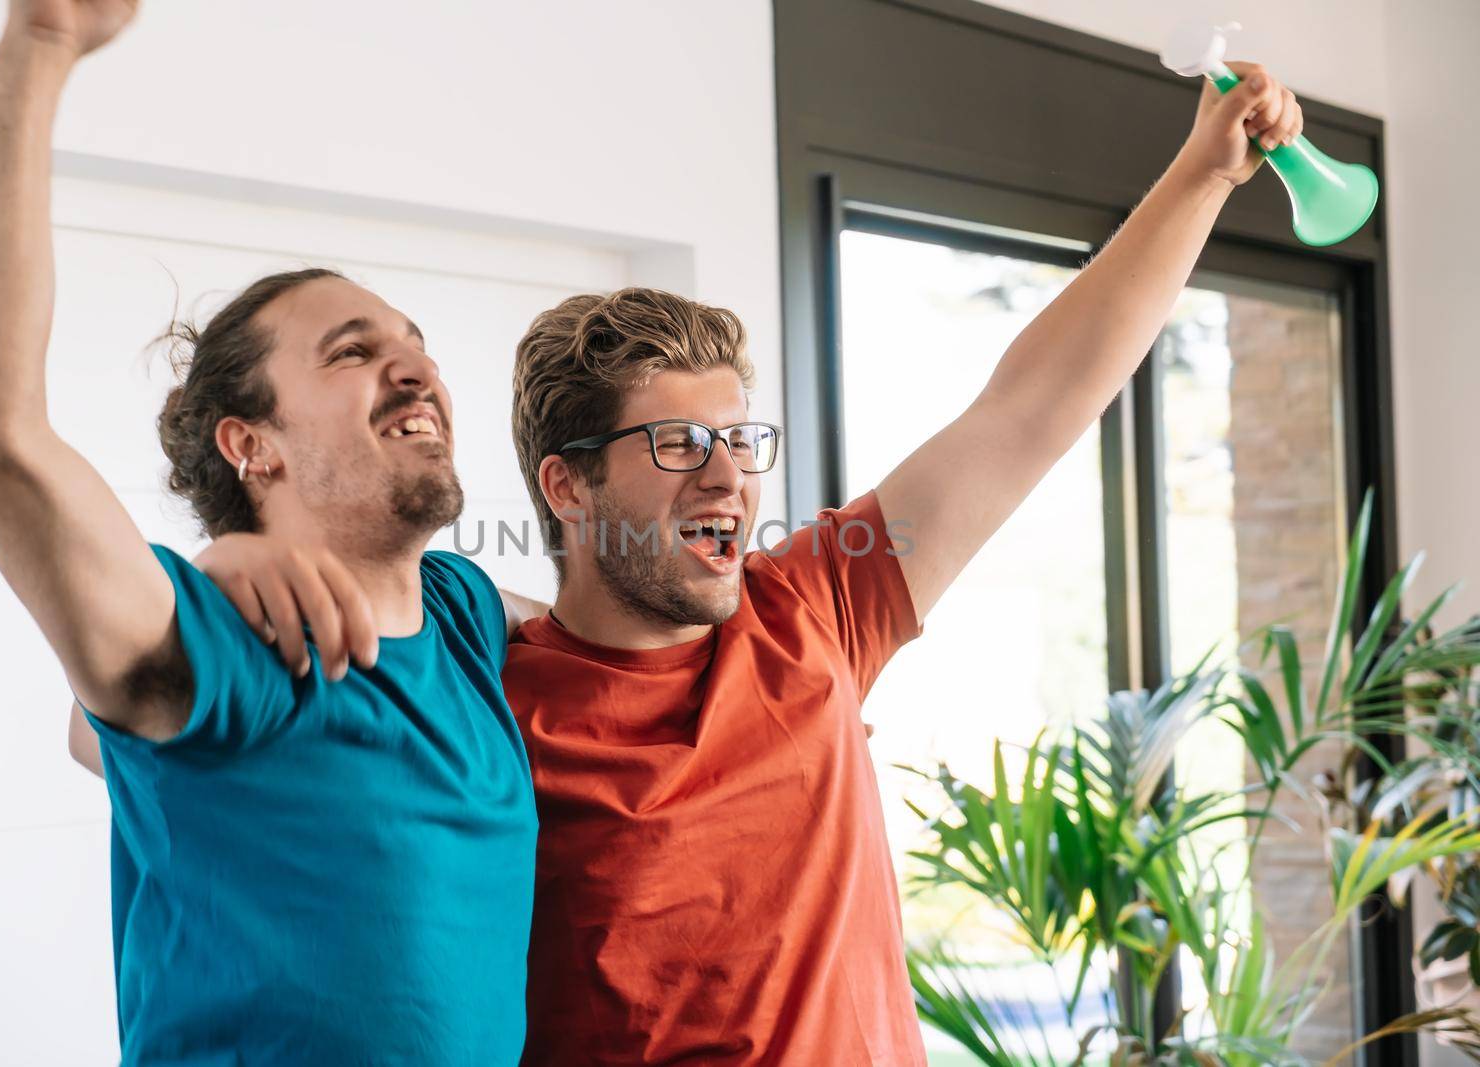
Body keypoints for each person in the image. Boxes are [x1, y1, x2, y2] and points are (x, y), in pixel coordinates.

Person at [75, 29, 1306, 1067]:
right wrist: (225, 571)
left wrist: (1200, 176)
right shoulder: (484, 696)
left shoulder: (816, 610)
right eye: (673, 444)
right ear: (566, 485)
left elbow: (1029, 406)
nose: (728, 473)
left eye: (736, 437)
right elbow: (116, 723)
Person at [0, 2, 541, 1063]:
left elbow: (623, 638)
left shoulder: (464, 614)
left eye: (417, 343)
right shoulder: (223, 649)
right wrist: (40, 49)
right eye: (352, 350)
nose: (415, 367)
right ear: (251, 444)